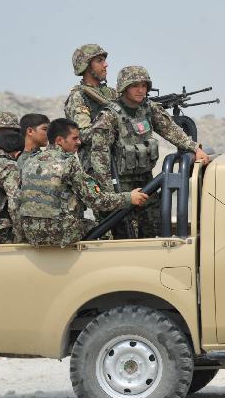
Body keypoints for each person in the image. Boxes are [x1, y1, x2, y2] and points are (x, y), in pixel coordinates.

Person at [89, 66, 209, 239]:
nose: (141, 90)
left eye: (144, 85)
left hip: (146, 182)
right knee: (125, 237)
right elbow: (99, 156)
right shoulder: (109, 116)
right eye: (135, 85)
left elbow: (170, 130)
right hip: (120, 187)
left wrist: (194, 148)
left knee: (154, 230)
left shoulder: (149, 108)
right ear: (124, 87)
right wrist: (113, 196)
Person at [18, 118, 148, 247]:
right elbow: (96, 201)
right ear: (59, 141)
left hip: (31, 233)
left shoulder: (30, 161)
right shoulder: (68, 162)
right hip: (60, 233)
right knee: (103, 230)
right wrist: (129, 197)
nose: (79, 142)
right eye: (75, 138)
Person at [64, 44, 117, 172]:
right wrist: (112, 123)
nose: (105, 65)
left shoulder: (111, 93)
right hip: (98, 168)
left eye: (104, 60)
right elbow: (83, 135)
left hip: (120, 163)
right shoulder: (79, 96)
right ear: (86, 66)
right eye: (99, 61)